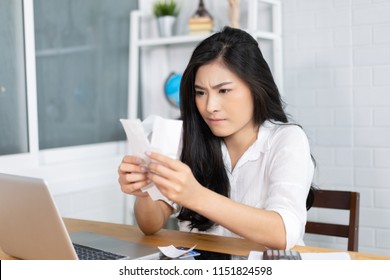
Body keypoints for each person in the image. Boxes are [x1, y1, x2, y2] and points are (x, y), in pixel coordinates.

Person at [118, 26, 314, 250]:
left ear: (256, 87)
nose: (210, 107)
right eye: (200, 93)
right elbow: (150, 225)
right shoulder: (188, 137)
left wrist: (195, 195)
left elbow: (283, 233)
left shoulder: (287, 139)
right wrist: (144, 193)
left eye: (224, 91)